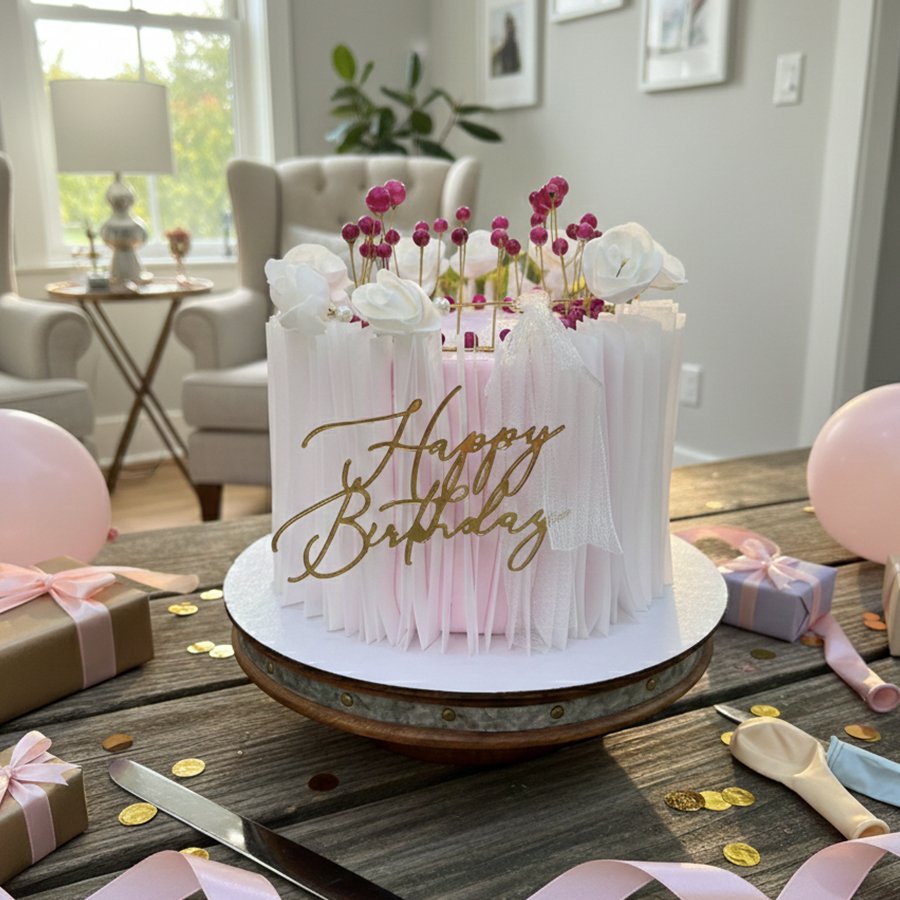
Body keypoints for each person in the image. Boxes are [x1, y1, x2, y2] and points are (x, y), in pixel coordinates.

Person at [492, 12, 521, 77]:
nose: (509, 28)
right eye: (507, 25)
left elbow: (516, 62)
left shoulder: (512, 43)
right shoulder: (507, 41)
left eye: (510, 25)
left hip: (510, 71)